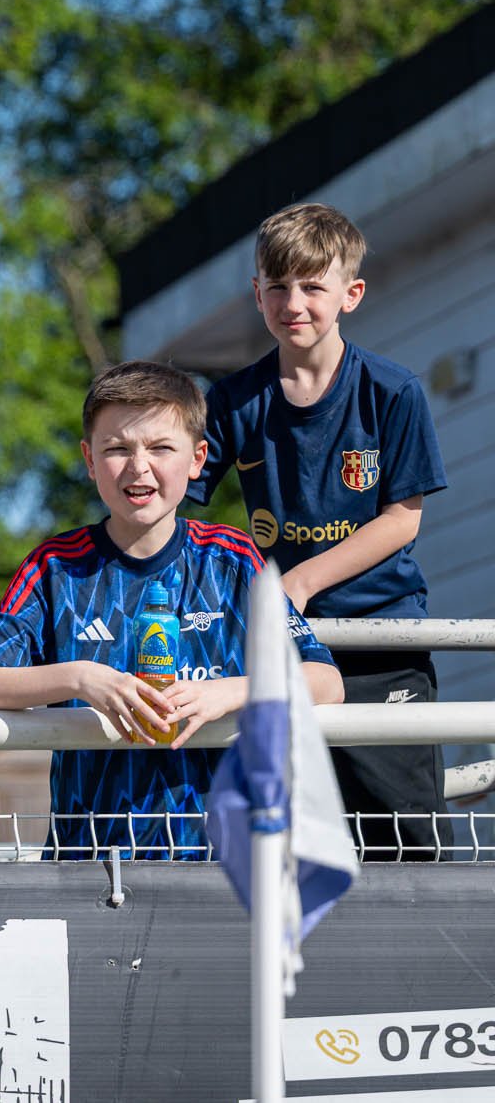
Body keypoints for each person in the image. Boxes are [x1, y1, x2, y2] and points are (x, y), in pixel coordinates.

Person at [0, 360, 343, 859]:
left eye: (161, 448)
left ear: (198, 458)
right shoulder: (55, 566)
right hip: (88, 861)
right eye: (117, 448)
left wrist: (230, 692)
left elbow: (326, 683)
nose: (139, 466)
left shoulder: (233, 559)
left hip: (229, 864)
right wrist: (80, 678)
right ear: (89, 460)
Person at [189, 203, 449, 860]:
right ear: (257, 293)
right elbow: (175, 508)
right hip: (284, 655)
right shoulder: (233, 400)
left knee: (408, 840)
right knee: (296, 843)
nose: (293, 302)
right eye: (277, 286)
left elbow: (402, 518)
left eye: (312, 286)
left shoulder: (393, 391)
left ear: (350, 294)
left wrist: (297, 579)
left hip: (379, 642)